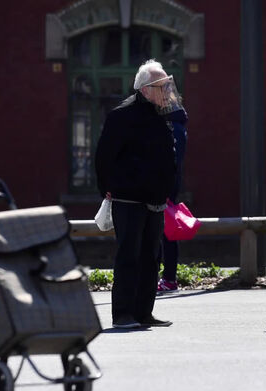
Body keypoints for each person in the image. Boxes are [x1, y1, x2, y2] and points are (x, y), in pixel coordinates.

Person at [95, 59, 180, 329]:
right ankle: (122, 314)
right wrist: (107, 188)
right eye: (162, 85)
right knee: (128, 256)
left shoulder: (161, 114)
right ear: (145, 89)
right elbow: (103, 156)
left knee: (151, 258)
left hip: (154, 199)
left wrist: (168, 189)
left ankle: (144, 313)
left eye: (169, 84)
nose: (168, 89)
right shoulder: (122, 115)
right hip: (128, 198)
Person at [157, 104, 189, 293]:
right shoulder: (178, 126)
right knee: (166, 234)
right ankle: (169, 277)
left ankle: (169, 278)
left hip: (165, 188)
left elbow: (171, 160)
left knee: (165, 234)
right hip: (170, 187)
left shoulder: (172, 128)